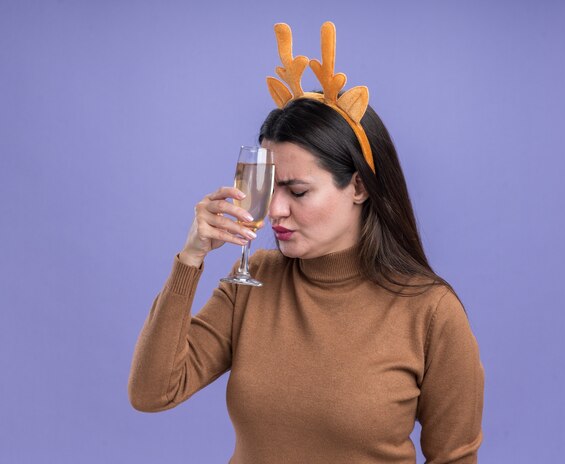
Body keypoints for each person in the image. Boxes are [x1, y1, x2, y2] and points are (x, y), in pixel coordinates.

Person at [128, 22, 483, 464]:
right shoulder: (255, 278)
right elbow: (152, 392)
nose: (273, 210)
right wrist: (191, 258)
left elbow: (455, 457)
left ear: (358, 187)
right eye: (269, 187)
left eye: (296, 191)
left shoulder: (431, 311)